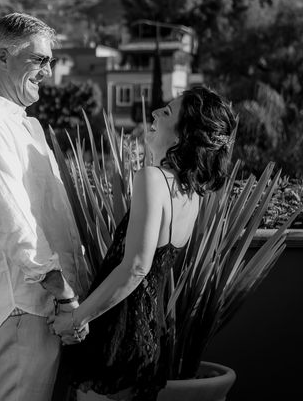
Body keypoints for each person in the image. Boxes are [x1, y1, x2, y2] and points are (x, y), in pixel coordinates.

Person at [50, 86, 237, 401]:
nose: (153, 113)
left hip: (119, 335)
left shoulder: (153, 179)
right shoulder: (191, 196)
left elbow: (136, 267)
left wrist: (77, 318)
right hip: (149, 335)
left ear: (183, 135)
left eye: (166, 112)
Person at [0, 12, 92, 401]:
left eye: (50, 60)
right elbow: (17, 224)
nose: (48, 70)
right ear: (1, 58)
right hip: (25, 308)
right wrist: (63, 295)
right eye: (39, 59)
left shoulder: (22, 125)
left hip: (48, 307)